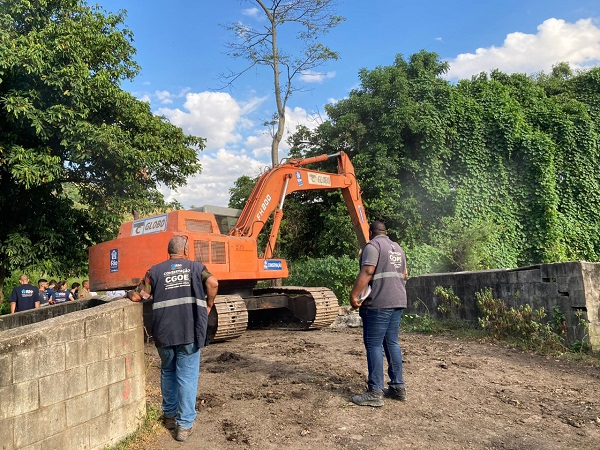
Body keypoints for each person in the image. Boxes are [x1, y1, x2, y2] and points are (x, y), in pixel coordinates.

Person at [127, 235, 218, 442]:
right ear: (185, 250)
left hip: (164, 332)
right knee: (186, 376)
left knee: (168, 371)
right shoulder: (196, 268)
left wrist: (127, 293)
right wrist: (209, 304)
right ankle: (184, 426)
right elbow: (213, 283)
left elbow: (138, 296)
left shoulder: (155, 271)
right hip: (188, 331)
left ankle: (169, 416)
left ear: (169, 251)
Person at [349, 220, 409, 407]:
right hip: (398, 301)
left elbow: (368, 271)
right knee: (391, 343)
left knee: (374, 344)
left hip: (379, 304)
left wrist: (354, 294)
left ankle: (375, 391)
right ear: (386, 232)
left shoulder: (373, 246)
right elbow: (404, 274)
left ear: (371, 232)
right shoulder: (398, 248)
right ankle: (398, 387)